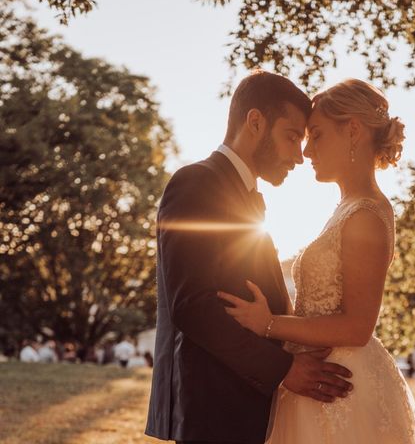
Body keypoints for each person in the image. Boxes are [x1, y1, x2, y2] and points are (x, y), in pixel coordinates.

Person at [145, 70, 353, 444]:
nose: (298, 155)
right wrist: (284, 368)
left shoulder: (246, 195)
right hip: (215, 412)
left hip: (247, 409)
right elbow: (192, 305)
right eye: (291, 137)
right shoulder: (196, 183)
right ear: (255, 122)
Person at [219, 79, 415, 443]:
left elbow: (357, 327)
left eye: (316, 135)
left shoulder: (365, 216)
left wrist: (269, 325)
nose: (307, 151)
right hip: (318, 377)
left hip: (340, 386)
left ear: (354, 131)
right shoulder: (346, 209)